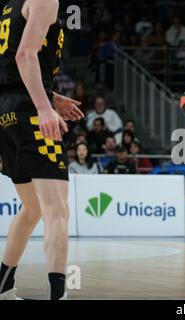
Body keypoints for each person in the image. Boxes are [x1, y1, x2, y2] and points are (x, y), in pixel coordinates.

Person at [0, 0, 83, 300]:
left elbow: (10, 64)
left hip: (5, 113)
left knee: (33, 209)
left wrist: (51, 96)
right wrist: (44, 107)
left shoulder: (10, 6)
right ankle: (59, 296)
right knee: (58, 211)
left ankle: (3, 289)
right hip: (28, 113)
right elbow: (25, 55)